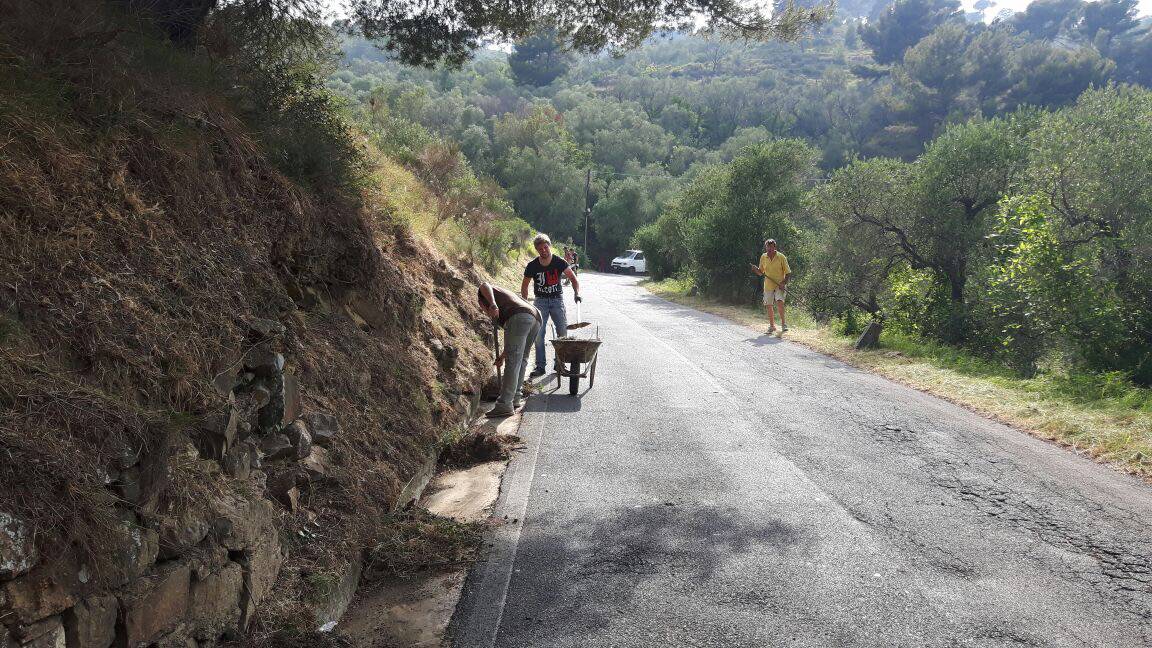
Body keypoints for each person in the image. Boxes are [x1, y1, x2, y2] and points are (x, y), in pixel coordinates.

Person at [478, 282, 541, 418]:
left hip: (521, 316)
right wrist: (502, 356)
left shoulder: (486, 295)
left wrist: (493, 304)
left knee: (513, 362)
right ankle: (516, 398)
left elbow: (484, 285)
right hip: (535, 316)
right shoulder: (507, 301)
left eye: (482, 309)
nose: (485, 312)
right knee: (521, 359)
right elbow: (511, 342)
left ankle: (505, 405)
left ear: (482, 304)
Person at [522, 233, 581, 377]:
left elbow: (573, 278)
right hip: (540, 301)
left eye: (546, 247)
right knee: (538, 334)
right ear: (537, 250)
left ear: (550, 246)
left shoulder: (559, 262)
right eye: (540, 248)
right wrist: (524, 303)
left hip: (556, 300)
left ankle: (559, 365)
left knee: (562, 333)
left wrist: (576, 293)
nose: (544, 250)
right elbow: (524, 286)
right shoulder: (532, 265)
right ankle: (540, 366)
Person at [749, 238, 792, 336]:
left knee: (779, 302)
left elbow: (788, 272)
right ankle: (772, 326)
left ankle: (783, 324)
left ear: (774, 247)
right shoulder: (763, 257)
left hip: (779, 284)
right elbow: (760, 273)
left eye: (771, 248)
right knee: (769, 305)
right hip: (768, 285)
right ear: (766, 247)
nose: (769, 250)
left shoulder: (781, 257)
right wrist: (755, 269)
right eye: (767, 248)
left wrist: (783, 283)